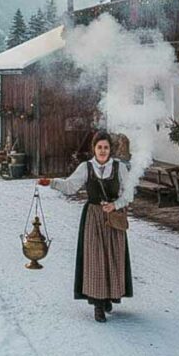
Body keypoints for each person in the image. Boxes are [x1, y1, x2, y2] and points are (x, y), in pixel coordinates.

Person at [38, 131, 133, 323]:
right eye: (99, 147)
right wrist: (52, 182)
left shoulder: (119, 167)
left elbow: (129, 193)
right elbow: (71, 186)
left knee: (113, 257)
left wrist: (116, 205)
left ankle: (109, 297)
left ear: (110, 149)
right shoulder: (86, 167)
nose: (103, 150)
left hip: (113, 218)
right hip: (93, 218)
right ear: (94, 149)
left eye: (106, 147)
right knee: (95, 259)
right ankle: (98, 305)